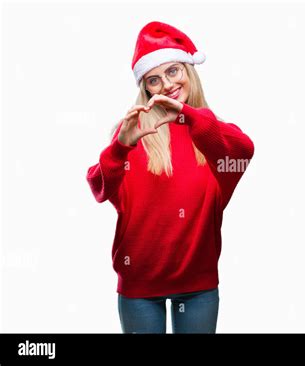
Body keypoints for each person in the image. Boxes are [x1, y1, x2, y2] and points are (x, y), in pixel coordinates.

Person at [85, 21, 255, 334]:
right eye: (154, 79)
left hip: (198, 286)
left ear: (189, 71)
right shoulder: (136, 133)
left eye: (173, 71)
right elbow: (99, 186)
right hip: (139, 288)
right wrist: (120, 146)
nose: (165, 84)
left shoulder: (213, 137)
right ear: (145, 87)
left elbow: (244, 150)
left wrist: (185, 115)